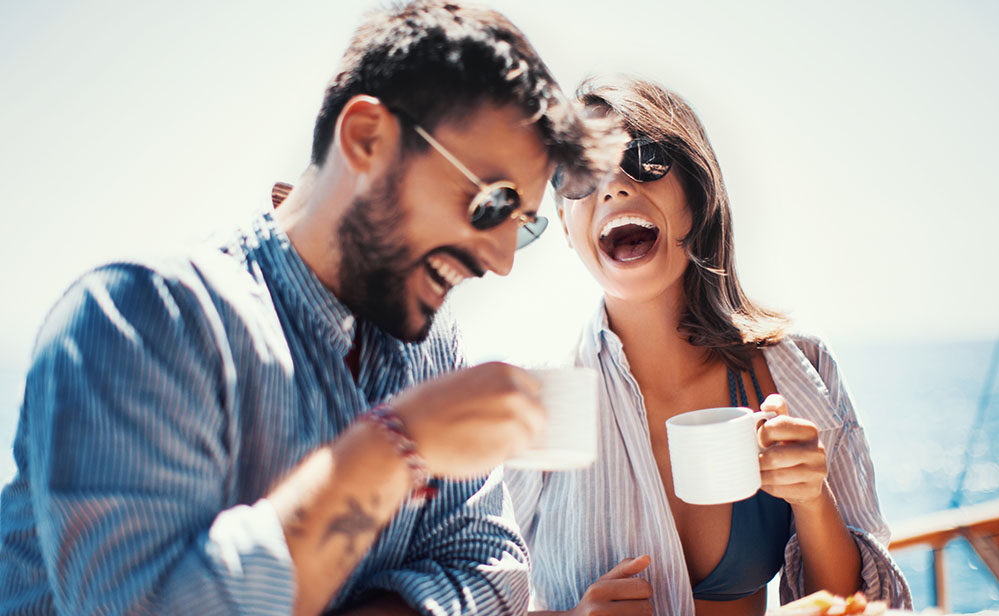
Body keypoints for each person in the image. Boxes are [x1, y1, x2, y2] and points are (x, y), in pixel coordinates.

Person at [0, 3, 624, 614]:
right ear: (366, 138)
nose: (502, 258)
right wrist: (393, 448)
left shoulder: (432, 351)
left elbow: (495, 573)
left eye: (524, 225)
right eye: (493, 202)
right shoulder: (143, 317)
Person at [507, 75, 912, 616]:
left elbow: (850, 605)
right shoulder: (534, 402)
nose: (612, 186)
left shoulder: (798, 370)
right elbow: (468, 598)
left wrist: (812, 498)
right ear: (563, 220)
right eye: (579, 174)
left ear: (696, 196)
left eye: (643, 158)